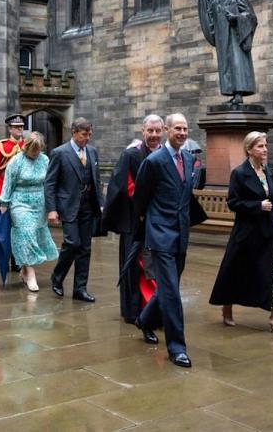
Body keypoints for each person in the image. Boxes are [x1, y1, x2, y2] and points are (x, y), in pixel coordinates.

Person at [132, 113, 208, 367]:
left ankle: (144, 320)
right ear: (166, 130)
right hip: (160, 235)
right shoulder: (154, 161)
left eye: (186, 128)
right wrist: (152, 226)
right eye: (178, 128)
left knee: (167, 287)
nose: (183, 133)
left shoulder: (188, 159)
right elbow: (140, 199)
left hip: (181, 235)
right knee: (173, 292)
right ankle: (177, 347)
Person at [209, 131, 273, 336]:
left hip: (267, 232)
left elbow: (270, 197)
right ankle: (227, 305)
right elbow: (233, 202)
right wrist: (257, 205)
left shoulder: (268, 171)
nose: (265, 149)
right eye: (260, 146)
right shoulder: (239, 173)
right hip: (246, 233)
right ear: (249, 149)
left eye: (266, 145)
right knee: (234, 271)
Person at [102, 114, 164, 324]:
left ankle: (156, 309)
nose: (154, 135)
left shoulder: (168, 155)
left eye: (158, 131)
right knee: (136, 267)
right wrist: (146, 206)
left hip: (160, 223)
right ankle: (136, 310)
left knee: (157, 266)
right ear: (143, 131)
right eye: (150, 131)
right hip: (136, 222)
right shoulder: (131, 155)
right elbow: (126, 187)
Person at [46, 118, 104, 302]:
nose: (87, 138)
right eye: (84, 134)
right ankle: (57, 277)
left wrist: (100, 203)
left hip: (88, 206)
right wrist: (52, 209)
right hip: (68, 205)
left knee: (85, 248)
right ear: (74, 132)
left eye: (89, 134)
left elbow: (97, 179)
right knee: (72, 243)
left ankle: (80, 288)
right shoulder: (59, 153)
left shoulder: (93, 152)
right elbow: (50, 183)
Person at [182, 0, 258, 106]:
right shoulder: (216, 1)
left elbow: (251, 16)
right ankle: (233, 93)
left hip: (236, 39)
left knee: (237, 63)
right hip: (223, 40)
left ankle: (239, 93)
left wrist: (236, 18)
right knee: (227, 66)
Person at [0, 132, 59, 292]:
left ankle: (24, 270)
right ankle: (31, 274)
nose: (35, 154)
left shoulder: (45, 160)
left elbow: (50, 183)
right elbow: (8, 184)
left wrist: (53, 206)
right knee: (26, 233)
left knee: (33, 236)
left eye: (38, 150)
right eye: (33, 150)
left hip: (39, 204)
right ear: (27, 148)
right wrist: (4, 204)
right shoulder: (16, 161)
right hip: (20, 203)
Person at [0, 114, 26, 279]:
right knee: (6, 229)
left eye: (21, 127)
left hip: (23, 194)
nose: (19, 130)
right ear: (10, 129)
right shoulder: (1, 146)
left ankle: (17, 260)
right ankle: (7, 259)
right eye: (16, 127)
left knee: (21, 229)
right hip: (4, 193)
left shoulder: (28, 145)